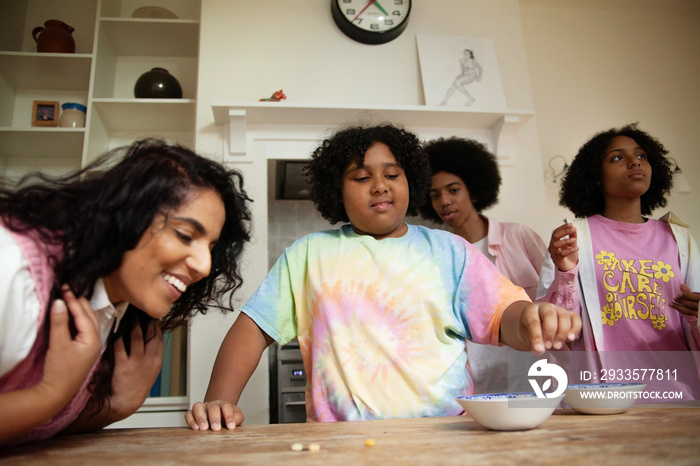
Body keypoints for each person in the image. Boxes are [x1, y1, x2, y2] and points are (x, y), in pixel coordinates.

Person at [186, 124, 580, 431]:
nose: (380, 185)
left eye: (393, 174)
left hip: (447, 434)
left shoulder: (448, 250)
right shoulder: (309, 254)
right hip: (341, 443)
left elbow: (502, 317)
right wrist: (220, 399)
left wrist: (529, 319)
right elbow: (253, 327)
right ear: (336, 193)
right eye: (361, 178)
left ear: (411, 182)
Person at [0, 139, 252, 446]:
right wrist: (50, 393)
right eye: (186, 235)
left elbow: (30, 430)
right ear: (124, 214)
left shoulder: (115, 310)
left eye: (211, 248)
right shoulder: (10, 264)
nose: (203, 265)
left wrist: (114, 408)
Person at [537, 123, 700, 398]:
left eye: (641, 156)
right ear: (596, 178)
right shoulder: (573, 237)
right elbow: (553, 330)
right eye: (617, 157)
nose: (635, 161)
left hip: (677, 393)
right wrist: (565, 274)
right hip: (604, 396)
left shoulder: (679, 238)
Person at [419, 136, 547, 394]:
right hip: (476, 380)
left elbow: (552, 295)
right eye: (435, 195)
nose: (444, 201)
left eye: (453, 190)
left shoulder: (518, 236)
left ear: (474, 191)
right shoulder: (436, 254)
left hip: (532, 370)